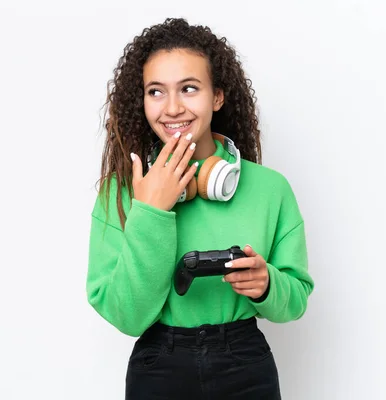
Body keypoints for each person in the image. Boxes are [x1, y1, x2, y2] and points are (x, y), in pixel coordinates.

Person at [86, 17, 314, 399]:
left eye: (189, 88)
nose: (172, 108)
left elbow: (297, 298)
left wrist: (267, 284)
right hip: (159, 366)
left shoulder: (270, 189)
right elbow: (127, 316)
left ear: (217, 97)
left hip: (246, 363)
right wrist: (151, 212)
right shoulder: (121, 192)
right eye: (156, 92)